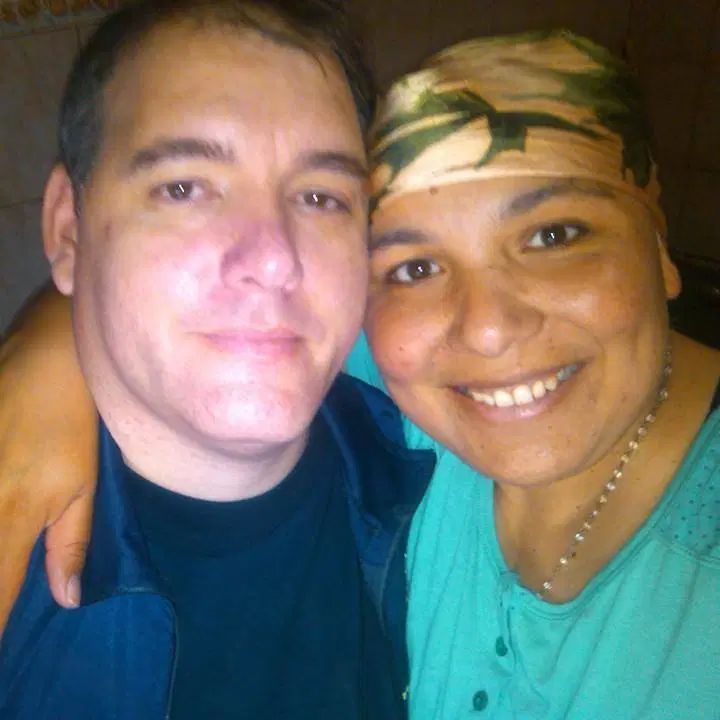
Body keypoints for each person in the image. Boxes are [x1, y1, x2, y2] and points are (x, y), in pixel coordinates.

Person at [2, 27, 720, 720]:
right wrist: (50, 347)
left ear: (658, 241)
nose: (489, 329)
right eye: (415, 267)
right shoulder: (405, 393)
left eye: (554, 235)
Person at [0, 1, 438, 718]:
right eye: (184, 188)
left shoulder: (445, 464)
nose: (273, 259)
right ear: (68, 230)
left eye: (321, 196)